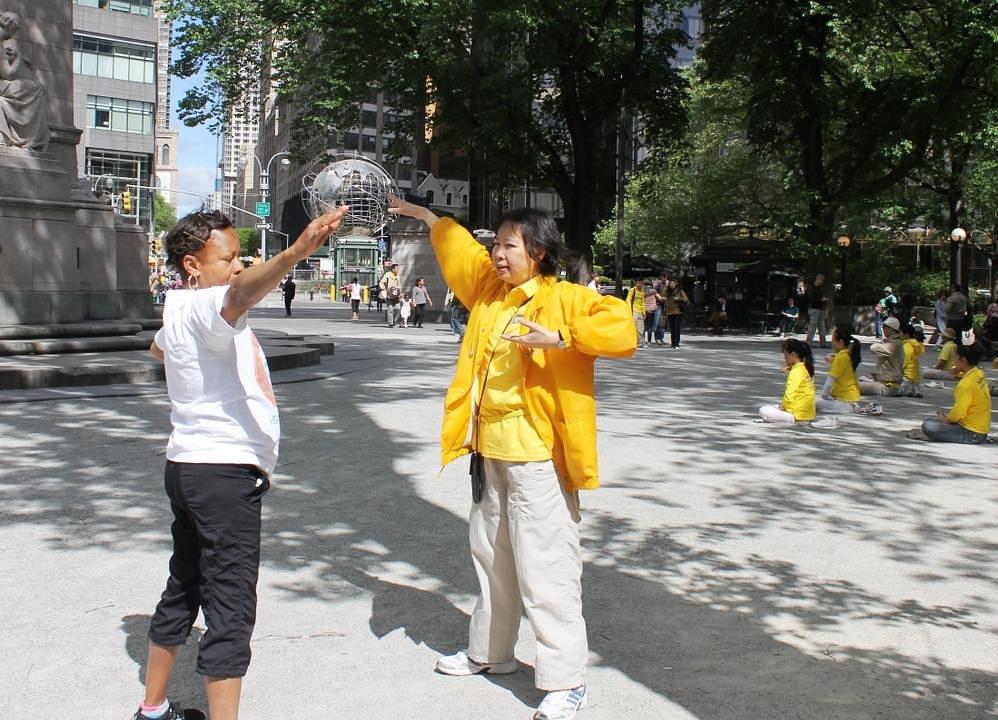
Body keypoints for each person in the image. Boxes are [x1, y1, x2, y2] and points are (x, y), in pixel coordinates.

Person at [388, 196, 636, 720]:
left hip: (538, 460)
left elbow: (622, 329)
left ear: (538, 252)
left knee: (547, 568)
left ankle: (566, 681)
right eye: (495, 244)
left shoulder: (565, 298)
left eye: (508, 246)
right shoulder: (489, 293)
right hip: (490, 453)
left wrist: (564, 338)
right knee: (491, 560)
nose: (497, 254)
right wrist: (422, 214)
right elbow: (459, 250)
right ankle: (490, 653)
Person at [136, 206, 348, 720]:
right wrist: (297, 253)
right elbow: (237, 295)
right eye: (228, 257)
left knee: (183, 585)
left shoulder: (178, 307)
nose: (237, 265)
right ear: (192, 265)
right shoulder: (210, 304)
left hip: (185, 468)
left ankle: (153, 707)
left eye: (239, 256)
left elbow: (157, 350)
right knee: (230, 606)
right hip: (223, 475)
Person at [912, 343, 991, 443]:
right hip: (980, 430)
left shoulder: (966, 384)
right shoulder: (979, 374)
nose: (954, 363)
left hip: (971, 433)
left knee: (928, 425)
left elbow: (959, 411)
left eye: (956, 359)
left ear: (964, 360)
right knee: (934, 423)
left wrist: (947, 420)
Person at [758, 338, 816, 424]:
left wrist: (783, 407)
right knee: (774, 407)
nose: (784, 358)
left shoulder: (796, 371)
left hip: (797, 415)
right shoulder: (804, 367)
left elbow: (789, 394)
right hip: (808, 414)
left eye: (785, 355)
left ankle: (789, 419)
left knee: (763, 410)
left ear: (793, 354)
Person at [816, 326, 863, 414]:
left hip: (846, 404)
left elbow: (829, 383)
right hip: (851, 401)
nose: (831, 342)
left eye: (833, 340)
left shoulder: (841, 358)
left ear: (840, 342)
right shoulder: (846, 355)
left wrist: (822, 397)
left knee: (810, 401)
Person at [858, 316, 905, 396]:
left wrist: (878, 344)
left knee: (851, 386)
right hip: (886, 383)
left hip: (888, 386)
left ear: (891, 329)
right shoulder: (893, 342)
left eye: (884, 327)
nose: (883, 329)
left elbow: (874, 348)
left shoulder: (895, 343)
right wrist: (879, 375)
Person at [900, 321, 925, 397]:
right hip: (916, 372)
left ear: (906, 334)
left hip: (907, 372)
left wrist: (901, 368)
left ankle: (908, 390)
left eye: (900, 333)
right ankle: (916, 390)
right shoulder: (915, 344)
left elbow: (906, 358)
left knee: (903, 384)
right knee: (915, 383)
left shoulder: (907, 345)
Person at [663, 278, 688, 349]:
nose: (672, 285)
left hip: (678, 311)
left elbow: (686, 299)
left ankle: (677, 343)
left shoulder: (680, 291)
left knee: (677, 328)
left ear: (676, 284)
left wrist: (679, 298)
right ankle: (673, 343)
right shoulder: (667, 291)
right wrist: (666, 287)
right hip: (670, 312)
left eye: (673, 283)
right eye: (670, 284)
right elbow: (663, 296)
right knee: (672, 328)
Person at [805, 273, 829, 347]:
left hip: (820, 309)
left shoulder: (820, 288)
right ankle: (809, 342)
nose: (822, 282)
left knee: (822, 326)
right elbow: (811, 299)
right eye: (821, 281)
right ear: (818, 279)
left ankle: (823, 343)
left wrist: (824, 299)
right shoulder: (812, 288)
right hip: (814, 309)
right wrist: (821, 299)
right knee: (813, 326)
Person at [379, 263, 402, 327]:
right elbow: (381, 283)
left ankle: (394, 320)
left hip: (396, 294)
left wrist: (399, 292)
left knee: (398, 308)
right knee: (390, 309)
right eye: (397, 268)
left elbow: (399, 285)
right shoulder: (387, 275)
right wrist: (384, 288)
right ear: (393, 269)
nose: (398, 270)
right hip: (389, 294)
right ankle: (390, 323)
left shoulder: (397, 276)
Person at [624, 280, 646, 347]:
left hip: (640, 311)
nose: (640, 284)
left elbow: (642, 302)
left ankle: (640, 343)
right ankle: (633, 342)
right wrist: (629, 309)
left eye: (641, 283)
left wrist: (644, 312)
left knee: (641, 328)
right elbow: (628, 299)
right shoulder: (632, 290)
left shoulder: (642, 292)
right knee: (634, 328)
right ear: (636, 283)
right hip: (634, 311)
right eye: (638, 283)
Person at [642, 279, 661, 346]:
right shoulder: (654, 291)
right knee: (650, 326)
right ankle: (649, 341)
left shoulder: (642, 291)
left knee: (644, 326)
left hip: (644, 310)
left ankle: (643, 340)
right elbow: (660, 298)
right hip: (652, 310)